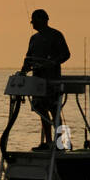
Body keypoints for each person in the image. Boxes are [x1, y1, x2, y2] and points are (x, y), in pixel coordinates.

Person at [20, 8, 71, 147]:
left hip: (52, 80)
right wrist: (23, 70)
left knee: (55, 112)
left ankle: (62, 143)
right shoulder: (34, 39)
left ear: (43, 20)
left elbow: (66, 54)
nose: (33, 24)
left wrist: (53, 63)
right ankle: (48, 142)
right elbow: (28, 57)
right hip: (38, 81)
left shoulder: (56, 35)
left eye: (34, 21)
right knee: (41, 111)